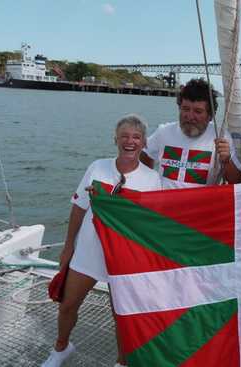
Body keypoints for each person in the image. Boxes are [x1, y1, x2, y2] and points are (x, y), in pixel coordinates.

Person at [41, 115, 162, 367]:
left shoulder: (152, 179)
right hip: (88, 252)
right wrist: (68, 247)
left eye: (136, 137)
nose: (130, 141)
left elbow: (148, 226)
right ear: (115, 139)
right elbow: (78, 209)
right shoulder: (97, 167)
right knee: (67, 305)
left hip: (124, 257)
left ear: (144, 143)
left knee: (122, 317)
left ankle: (121, 362)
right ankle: (61, 347)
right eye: (125, 136)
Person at [140, 78, 241, 187]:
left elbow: (237, 181)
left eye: (198, 111)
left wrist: (227, 160)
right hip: (163, 202)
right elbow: (145, 155)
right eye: (185, 109)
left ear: (210, 116)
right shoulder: (163, 132)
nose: (190, 116)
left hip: (200, 203)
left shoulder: (221, 137)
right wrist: (149, 182)